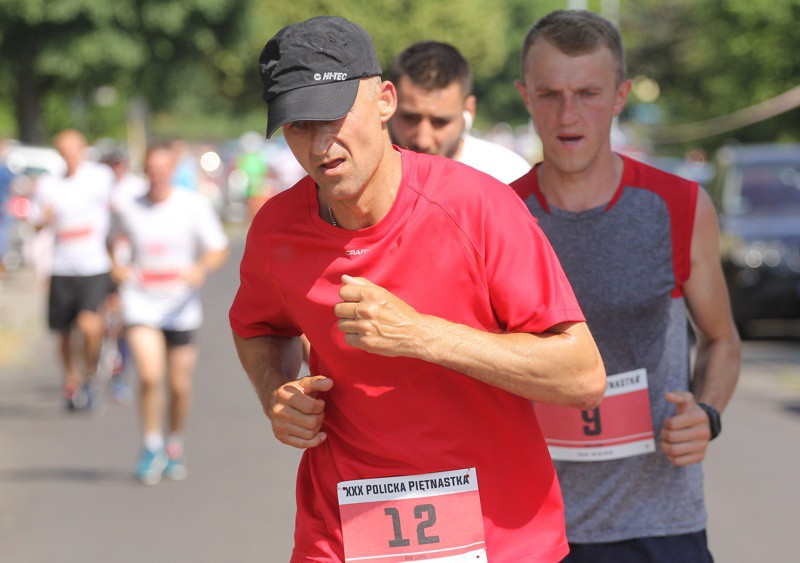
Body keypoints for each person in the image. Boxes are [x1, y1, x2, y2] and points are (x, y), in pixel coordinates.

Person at [231, 16, 606, 562]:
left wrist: (422, 335)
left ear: (385, 101)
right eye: (298, 125)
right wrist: (277, 392)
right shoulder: (276, 231)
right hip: (343, 534)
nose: (320, 144)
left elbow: (582, 376)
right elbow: (258, 327)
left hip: (499, 537)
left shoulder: (478, 207)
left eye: (333, 115)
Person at [511, 10, 741, 562]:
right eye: (550, 94)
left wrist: (707, 413)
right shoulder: (499, 217)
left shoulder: (678, 206)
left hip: (659, 525)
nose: (568, 114)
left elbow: (722, 340)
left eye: (588, 93)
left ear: (620, 96)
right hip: (533, 527)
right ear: (525, 96)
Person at [111, 143, 228, 485]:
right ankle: (151, 445)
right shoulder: (129, 206)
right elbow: (111, 240)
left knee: (179, 386)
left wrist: (201, 268)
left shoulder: (192, 205)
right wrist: (117, 267)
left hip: (180, 306)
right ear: (144, 170)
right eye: (152, 170)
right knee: (150, 376)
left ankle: (174, 443)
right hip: (141, 302)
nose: (157, 176)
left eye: (163, 170)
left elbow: (218, 248)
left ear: (174, 170)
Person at [29, 130, 115, 410]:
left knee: (90, 326)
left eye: (74, 150)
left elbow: (117, 204)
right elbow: (35, 222)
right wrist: (44, 219)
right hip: (61, 266)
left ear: (84, 149)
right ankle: (71, 379)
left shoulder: (100, 177)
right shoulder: (49, 184)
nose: (70, 157)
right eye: (64, 152)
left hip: (93, 265)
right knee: (64, 333)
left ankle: (89, 374)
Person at [388, 41, 531, 184]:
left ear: (469, 110)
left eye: (440, 122)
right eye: (409, 118)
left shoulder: (508, 176)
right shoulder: (373, 175)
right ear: (386, 104)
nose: (423, 140)